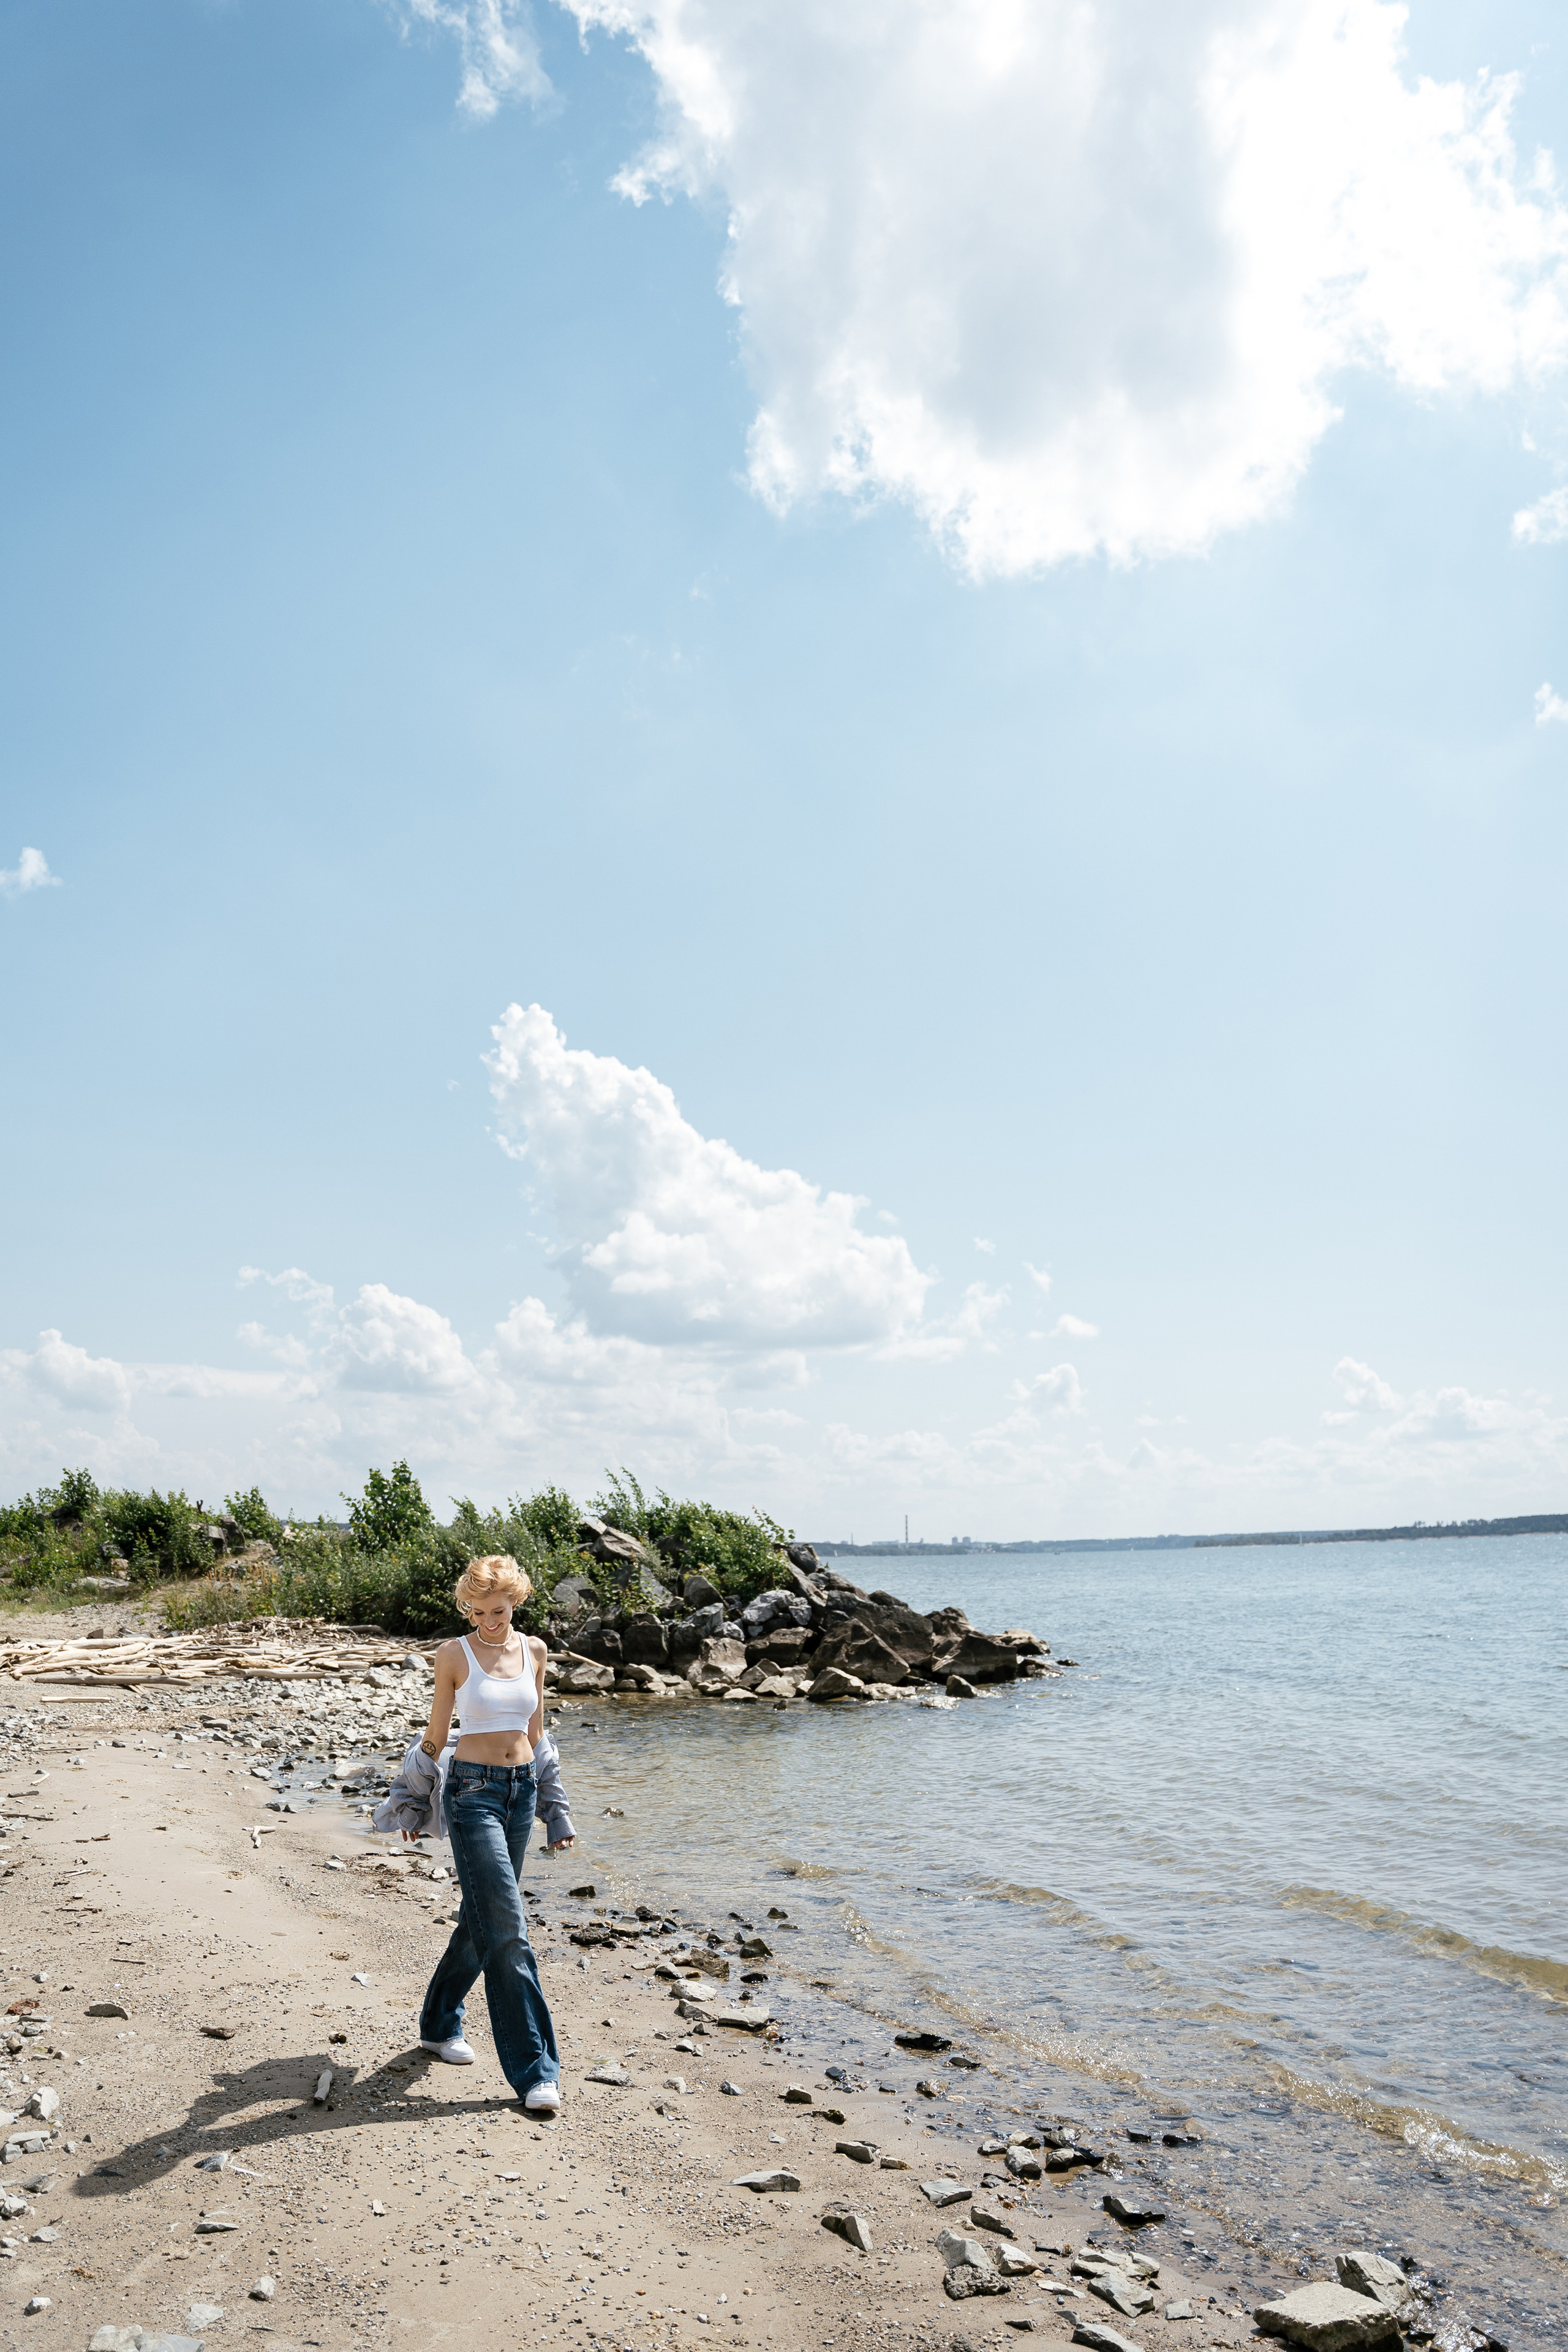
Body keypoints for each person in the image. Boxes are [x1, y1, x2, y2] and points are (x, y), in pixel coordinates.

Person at [389, 1553, 571, 2116]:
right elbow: (434, 1738)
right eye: (479, 1612)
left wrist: (555, 1811)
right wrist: (412, 1802)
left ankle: (439, 2024)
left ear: (515, 1601)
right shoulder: (453, 1655)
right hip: (470, 1794)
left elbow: (538, 1738)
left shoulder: (535, 1651)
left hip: (519, 1794)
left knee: (482, 1918)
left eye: (499, 1610)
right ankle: (536, 2070)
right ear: (468, 1609)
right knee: (510, 1928)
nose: (490, 1622)